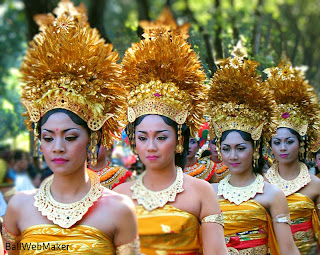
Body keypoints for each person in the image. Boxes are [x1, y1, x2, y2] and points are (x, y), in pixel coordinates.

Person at [2, 1, 139, 254]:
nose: (58, 148)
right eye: (48, 137)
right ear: (39, 140)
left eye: (70, 136)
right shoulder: (19, 207)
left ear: (92, 138)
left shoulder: (119, 208)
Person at [114, 28, 228, 254]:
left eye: (161, 137)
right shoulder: (120, 195)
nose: (151, 146)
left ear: (179, 139)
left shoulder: (201, 192)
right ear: (134, 142)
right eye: (143, 137)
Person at [207, 45, 299, 254]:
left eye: (240, 148)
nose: (233, 156)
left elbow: (287, 249)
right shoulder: (210, 193)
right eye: (226, 148)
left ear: (255, 148)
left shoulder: (273, 194)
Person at [264, 60, 320, 254]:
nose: (283, 148)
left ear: (301, 143)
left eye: (289, 141)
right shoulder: (261, 184)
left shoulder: (315, 184)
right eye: (277, 142)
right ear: (270, 146)